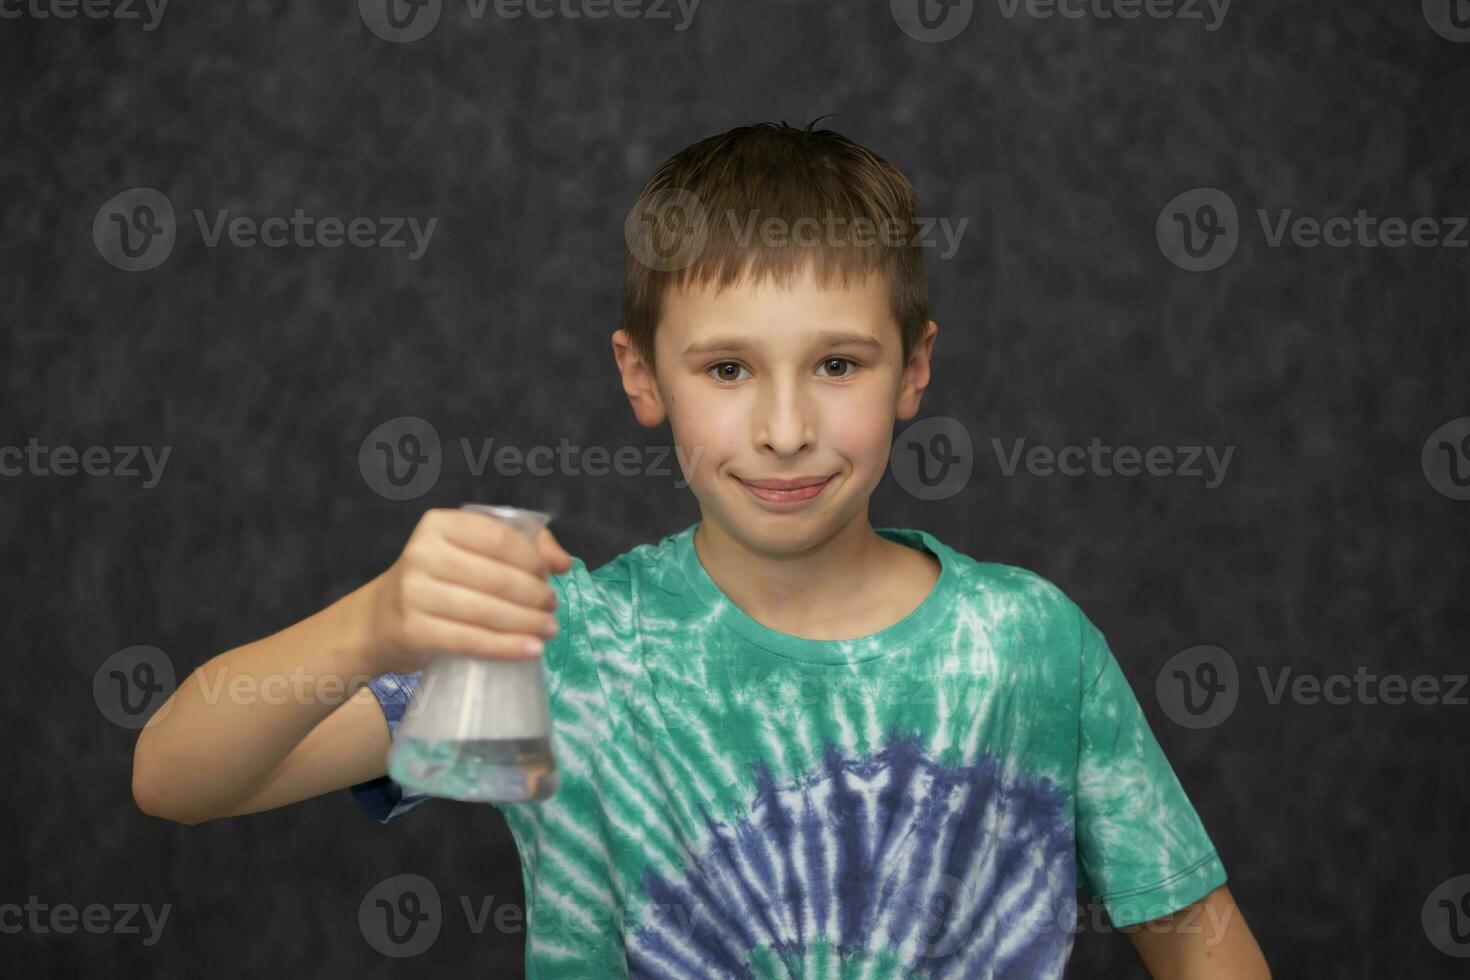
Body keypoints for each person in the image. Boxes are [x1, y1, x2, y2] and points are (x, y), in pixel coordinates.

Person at [131, 119, 1270, 978]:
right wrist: (371, 621)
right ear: (643, 376)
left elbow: (1200, 935)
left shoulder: (1028, 641)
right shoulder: (565, 648)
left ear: (916, 367)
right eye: (728, 369)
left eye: (838, 364)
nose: (784, 427)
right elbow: (179, 777)